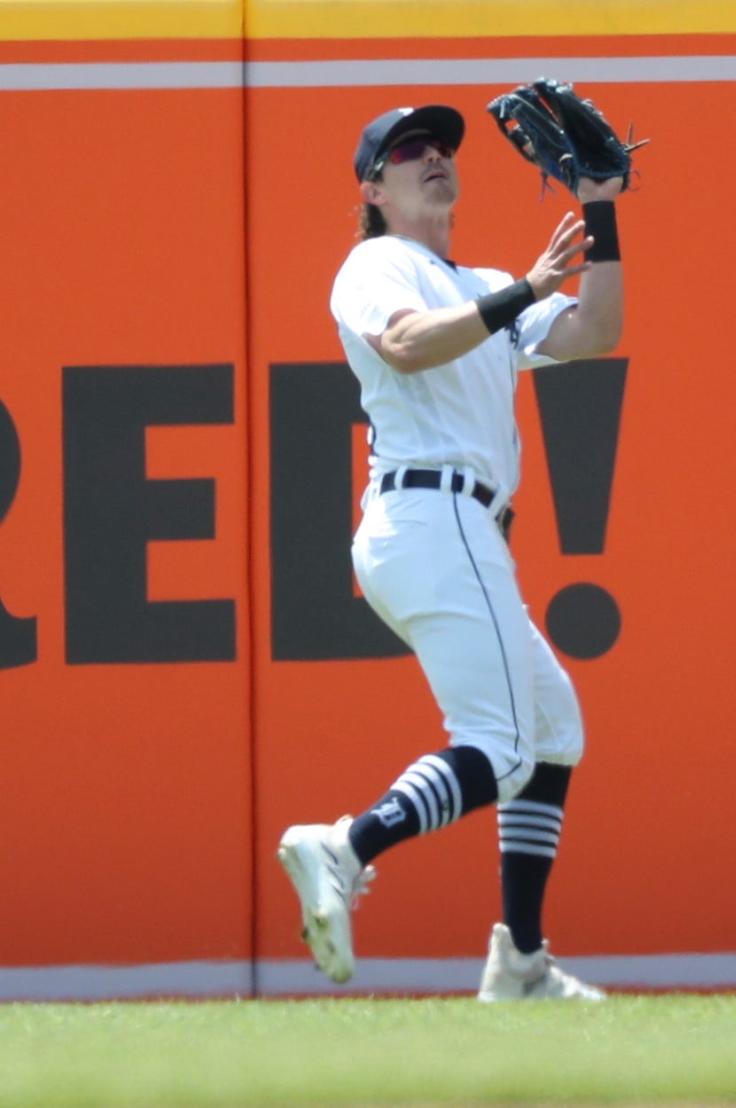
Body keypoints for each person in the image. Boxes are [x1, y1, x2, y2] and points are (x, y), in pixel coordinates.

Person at [278, 101, 625, 1001]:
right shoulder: (375, 262)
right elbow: (404, 343)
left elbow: (597, 332)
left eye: (442, 148)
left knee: (552, 729)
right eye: (408, 151)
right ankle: (347, 846)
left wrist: (603, 208)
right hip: (429, 517)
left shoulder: (483, 276)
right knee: (503, 746)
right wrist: (522, 293)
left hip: (462, 533)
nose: (433, 159)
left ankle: (521, 963)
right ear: (373, 186)